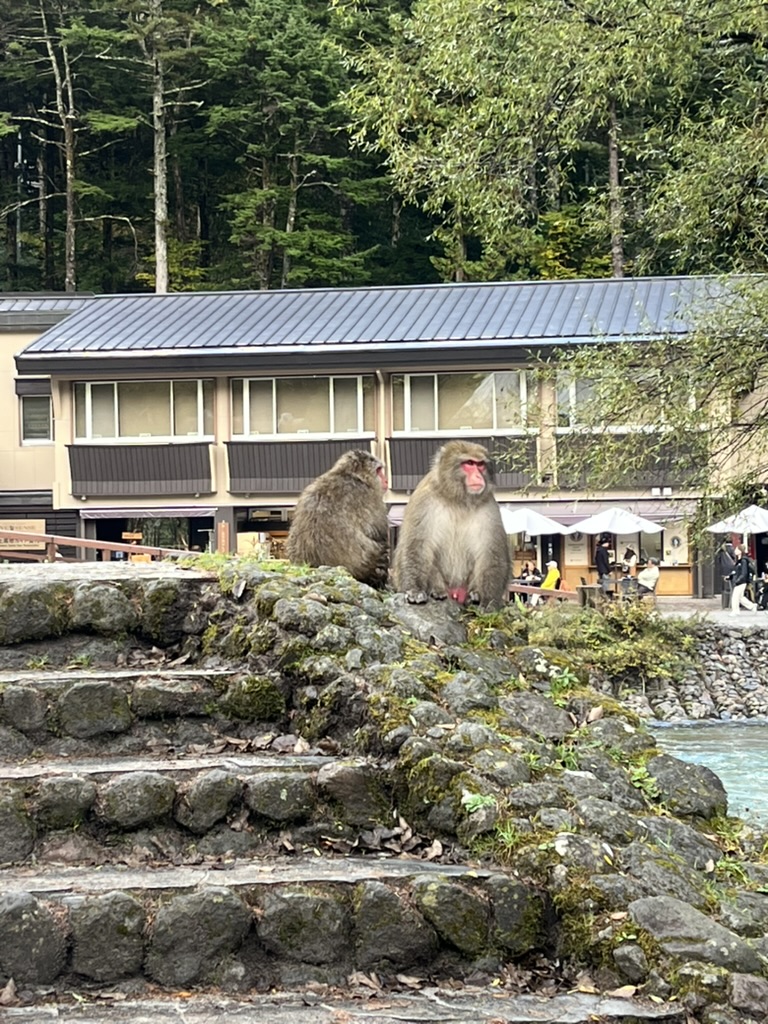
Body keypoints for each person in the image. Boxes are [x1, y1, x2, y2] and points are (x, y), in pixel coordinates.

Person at [729, 546, 757, 615]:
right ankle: (752, 606)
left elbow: (744, 573)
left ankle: (735, 611)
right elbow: (736, 572)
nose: (735, 551)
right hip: (740, 581)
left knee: (735, 596)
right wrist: (730, 577)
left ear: (740, 551)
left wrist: (738, 580)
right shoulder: (739, 561)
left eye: (736, 549)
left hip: (741, 581)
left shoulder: (743, 561)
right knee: (740, 597)